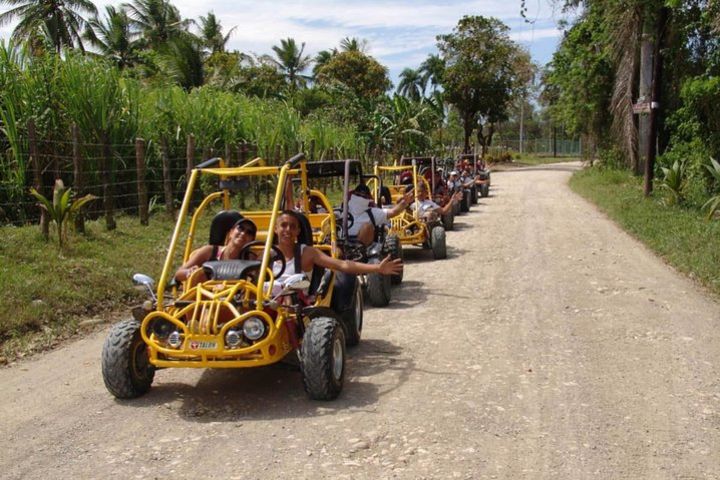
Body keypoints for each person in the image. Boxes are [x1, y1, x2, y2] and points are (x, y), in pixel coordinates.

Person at [272, 210, 402, 288]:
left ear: (298, 231)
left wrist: (377, 268)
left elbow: (342, 265)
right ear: (275, 229)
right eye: (283, 226)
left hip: (296, 310)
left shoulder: (307, 253)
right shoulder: (267, 255)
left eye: (292, 227)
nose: (288, 230)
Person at [175, 216, 257, 286]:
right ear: (231, 233)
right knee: (199, 274)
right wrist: (189, 272)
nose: (243, 233)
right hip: (203, 299)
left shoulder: (250, 259)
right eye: (240, 228)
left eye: (249, 233)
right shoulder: (209, 251)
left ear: (251, 241)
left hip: (234, 300)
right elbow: (179, 273)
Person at [347, 184, 413, 246]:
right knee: (367, 226)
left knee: (366, 227)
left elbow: (393, 212)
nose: (360, 198)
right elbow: (393, 212)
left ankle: (358, 250)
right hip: (344, 243)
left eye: (362, 196)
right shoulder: (344, 210)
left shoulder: (372, 212)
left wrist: (404, 202)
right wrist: (404, 202)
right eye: (359, 195)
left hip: (360, 247)